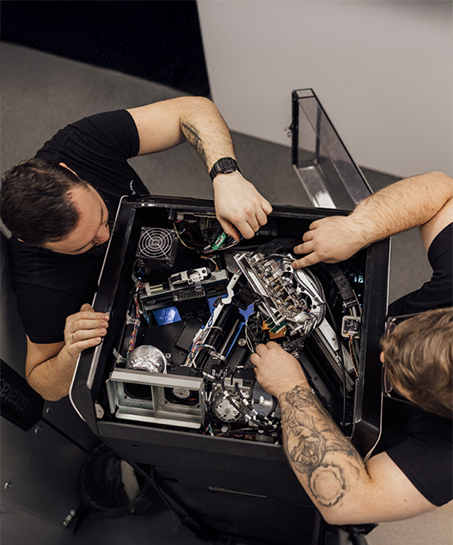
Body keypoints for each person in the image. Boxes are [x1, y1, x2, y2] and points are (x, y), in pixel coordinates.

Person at [0, 96, 272, 402]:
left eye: (102, 215)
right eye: (86, 245)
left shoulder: (78, 145)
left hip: (190, 251)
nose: (106, 235)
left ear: (70, 173)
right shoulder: (38, 279)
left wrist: (226, 175)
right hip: (152, 326)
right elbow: (42, 382)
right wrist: (71, 350)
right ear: (34, 243)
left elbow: (193, 109)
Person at [251, 171, 453, 526]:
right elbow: (441, 189)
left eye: (393, 376)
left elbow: (347, 502)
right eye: (396, 334)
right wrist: (357, 228)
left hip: (365, 441)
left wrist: (291, 389)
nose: (380, 355)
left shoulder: (446, 452)